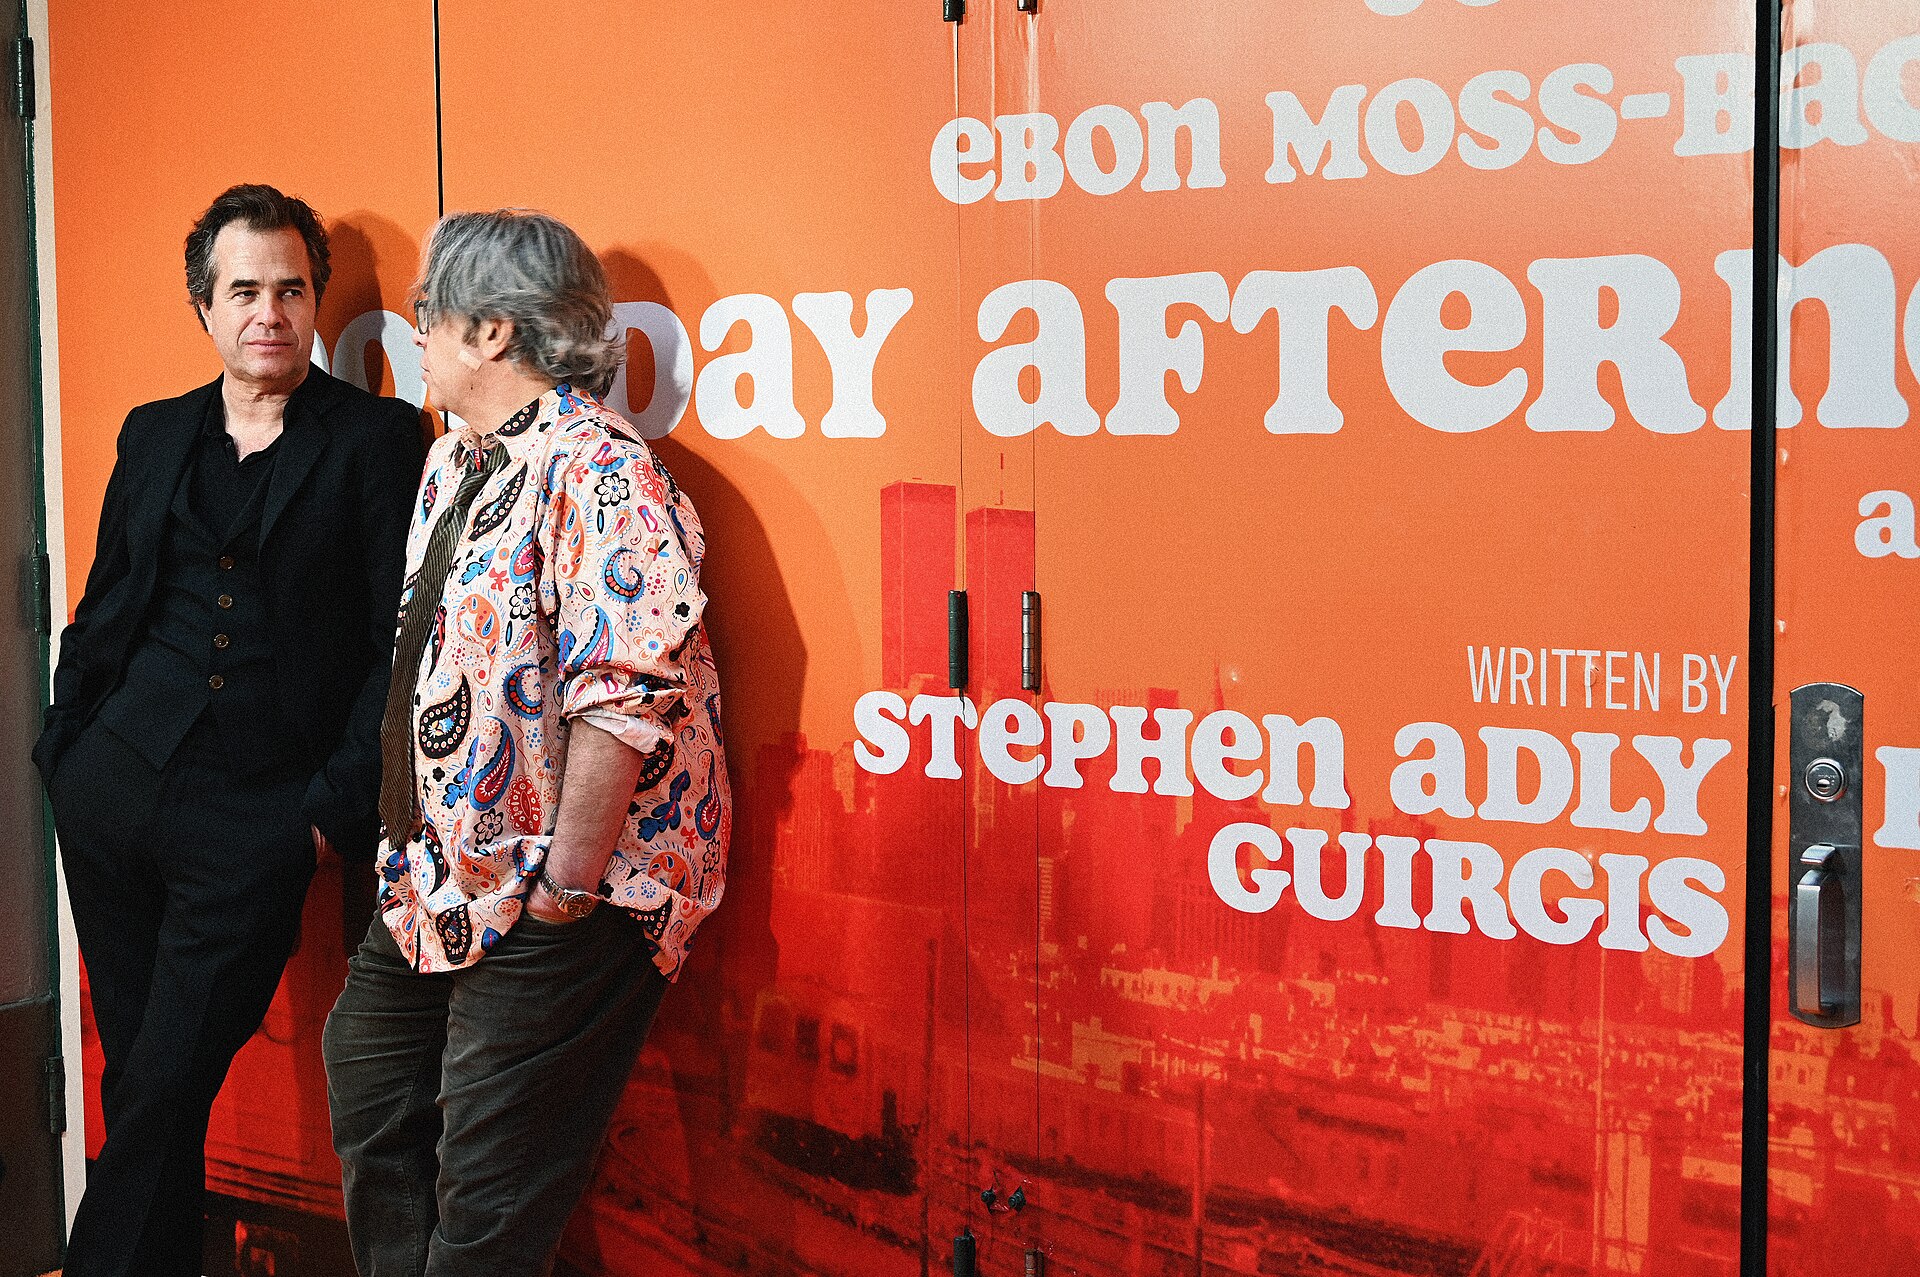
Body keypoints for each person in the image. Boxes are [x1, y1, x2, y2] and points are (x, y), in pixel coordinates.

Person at [322, 209, 731, 1275]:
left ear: (492, 330)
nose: (412, 328)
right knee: (370, 1080)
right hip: (441, 873)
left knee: (489, 1192)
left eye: (428, 309)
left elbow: (625, 689)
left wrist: (565, 883)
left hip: (566, 886)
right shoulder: (457, 456)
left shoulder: (601, 467)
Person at [34, 183, 426, 1277]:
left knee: (164, 1076)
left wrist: (325, 814)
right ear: (205, 305)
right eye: (244, 289)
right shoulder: (153, 433)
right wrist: (64, 747)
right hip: (113, 789)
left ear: (317, 303)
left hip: (259, 813)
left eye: (292, 289)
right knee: (138, 1077)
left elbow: (404, 640)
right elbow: (109, 602)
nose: (270, 311)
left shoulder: (379, 440)